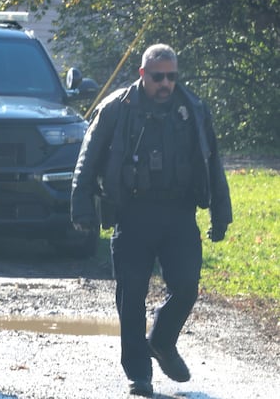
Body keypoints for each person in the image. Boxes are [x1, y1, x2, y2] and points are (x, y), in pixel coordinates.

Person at [71, 44, 232, 397]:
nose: (166, 84)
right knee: (131, 296)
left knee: (186, 286)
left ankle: (161, 340)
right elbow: (88, 158)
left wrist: (221, 213)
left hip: (179, 213)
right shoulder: (117, 108)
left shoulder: (193, 109)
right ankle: (138, 374)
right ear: (143, 74)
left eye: (171, 76)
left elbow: (212, 162)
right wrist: (81, 208)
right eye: (158, 76)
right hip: (132, 213)